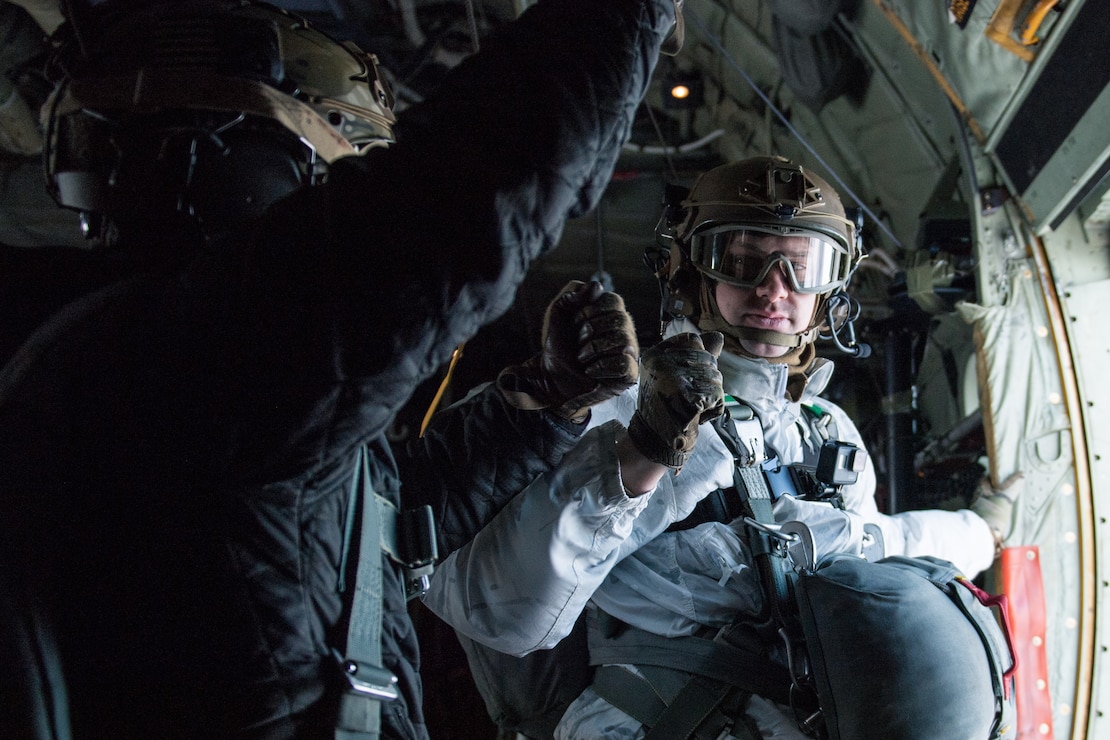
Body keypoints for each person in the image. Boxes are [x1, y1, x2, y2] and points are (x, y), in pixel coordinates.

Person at [0, 1, 682, 738]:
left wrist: (544, 402)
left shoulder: (115, 347)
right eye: (339, 178)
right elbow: (486, 181)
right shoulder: (224, 351)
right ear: (259, 164)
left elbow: (366, 521)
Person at [420, 155, 1012, 738]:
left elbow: (881, 542)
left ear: (831, 290)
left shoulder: (825, 429)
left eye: (803, 268)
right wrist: (645, 455)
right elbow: (502, 612)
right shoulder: (611, 407)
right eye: (742, 260)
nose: (774, 289)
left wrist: (982, 530)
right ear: (690, 272)